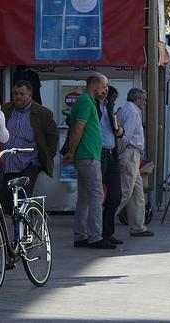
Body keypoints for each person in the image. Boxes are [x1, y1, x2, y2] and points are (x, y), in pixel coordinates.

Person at [63, 73, 116, 249]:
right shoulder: (86, 102)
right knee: (96, 196)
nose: (106, 90)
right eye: (104, 86)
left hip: (86, 155)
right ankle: (95, 236)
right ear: (95, 86)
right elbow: (78, 128)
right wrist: (71, 151)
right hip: (88, 155)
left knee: (85, 198)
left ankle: (80, 236)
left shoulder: (86, 101)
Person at [0, 80, 59, 215]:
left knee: (21, 200)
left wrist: (47, 156)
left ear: (30, 95)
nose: (18, 97)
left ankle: (24, 230)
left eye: (22, 94)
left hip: (29, 163)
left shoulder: (43, 113)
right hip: (7, 164)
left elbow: (53, 136)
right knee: (4, 201)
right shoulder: (5, 110)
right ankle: (22, 224)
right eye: (15, 93)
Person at [115, 88, 155, 237]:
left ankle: (138, 225)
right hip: (130, 153)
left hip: (131, 154)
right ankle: (102, 220)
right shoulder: (133, 112)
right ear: (137, 99)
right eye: (144, 99)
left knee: (137, 193)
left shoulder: (123, 110)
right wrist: (120, 153)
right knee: (126, 191)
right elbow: (126, 136)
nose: (145, 103)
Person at [98, 85, 124, 245]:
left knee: (115, 195)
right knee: (97, 195)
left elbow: (116, 130)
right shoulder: (94, 106)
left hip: (112, 154)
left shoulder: (109, 108)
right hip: (99, 153)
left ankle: (107, 231)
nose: (112, 100)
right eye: (110, 96)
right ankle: (99, 233)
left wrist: (120, 131)